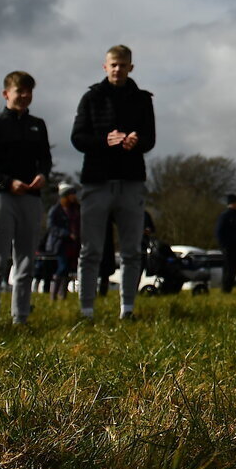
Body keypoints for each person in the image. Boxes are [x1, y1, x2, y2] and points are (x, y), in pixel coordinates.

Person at [71, 44, 155, 322]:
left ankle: (127, 309)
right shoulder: (91, 98)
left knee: (132, 250)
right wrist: (104, 141)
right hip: (96, 181)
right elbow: (77, 138)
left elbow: (150, 139)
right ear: (105, 66)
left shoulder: (142, 99)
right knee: (90, 250)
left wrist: (136, 141)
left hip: (131, 181)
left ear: (131, 67)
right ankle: (86, 311)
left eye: (122, 65)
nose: (117, 69)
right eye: (113, 65)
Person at [0, 71, 51, 323]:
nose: (25, 96)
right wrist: (6, 182)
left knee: (26, 261)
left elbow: (45, 159)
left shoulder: (38, 124)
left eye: (29, 92)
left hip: (31, 198)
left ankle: (21, 316)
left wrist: (42, 175)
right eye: (19, 91)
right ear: (6, 93)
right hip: (1, 198)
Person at [45, 183, 80, 300]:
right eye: (71, 194)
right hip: (60, 244)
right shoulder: (56, 210)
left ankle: (62, 295)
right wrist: (66, 233)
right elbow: (51, 227)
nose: (73, 196)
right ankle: (54, 295)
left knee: (67, 269)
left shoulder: (76, 209)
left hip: (72, 245)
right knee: (62, 267)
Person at [215, 194, 236, 293]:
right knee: (228, 269)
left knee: (233, 269)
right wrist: (223, 246)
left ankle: (229, 289)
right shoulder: (225, 216)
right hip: (228, 247)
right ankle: (225, 290)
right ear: (233, 203)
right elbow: (219, 232)